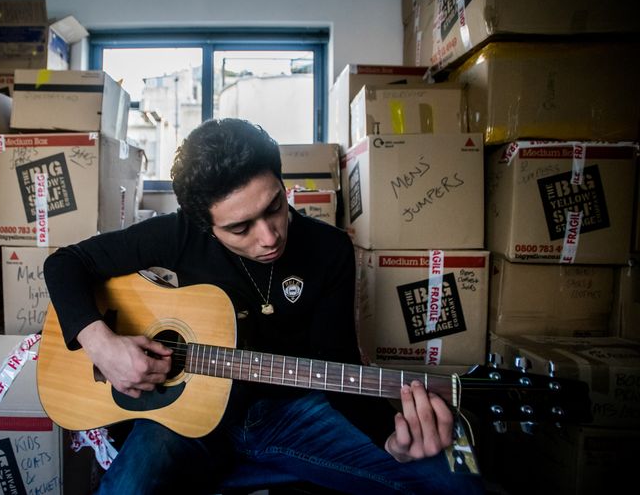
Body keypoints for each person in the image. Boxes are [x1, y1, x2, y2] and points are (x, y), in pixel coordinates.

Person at [43, 118, 483, 494]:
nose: (269, 236)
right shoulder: (179, 234)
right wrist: (102, 344)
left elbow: (339, 365)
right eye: (240, 228)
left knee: (455, 481)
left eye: (274, 206)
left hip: (290, 417)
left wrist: (391, 442)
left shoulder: (329, 250)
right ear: (206, 226)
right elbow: (65, 265)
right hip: (181, 417)